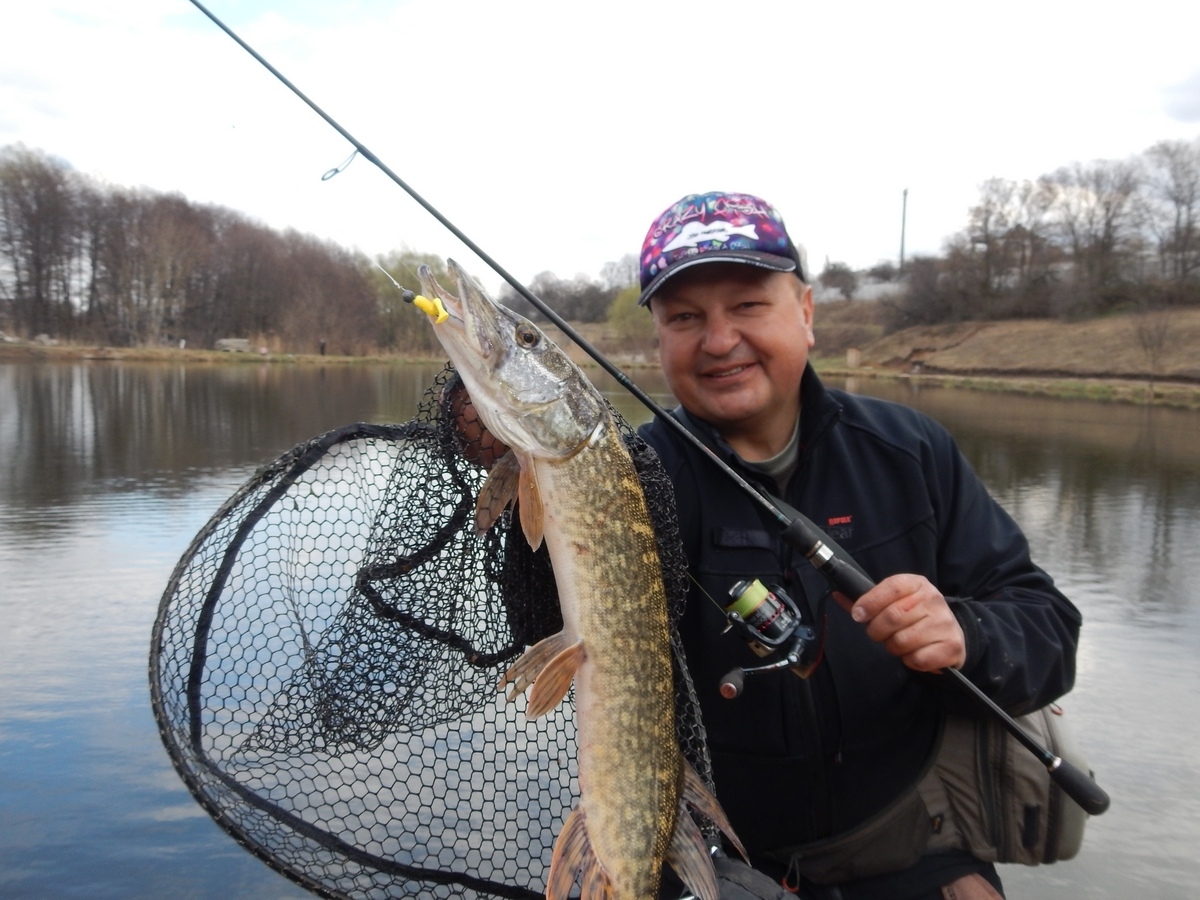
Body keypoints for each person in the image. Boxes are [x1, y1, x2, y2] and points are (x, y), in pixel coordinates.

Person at [631, 192, 1082, 900]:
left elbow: (1048, 631)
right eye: (685, 317)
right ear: (658, 339)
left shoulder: (910, 449)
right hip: (716, 860)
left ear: (805, 312)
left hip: (911, 844)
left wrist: (965, 633)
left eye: (748, 305)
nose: (719, 341)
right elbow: (549, 625)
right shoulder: (635, 478)